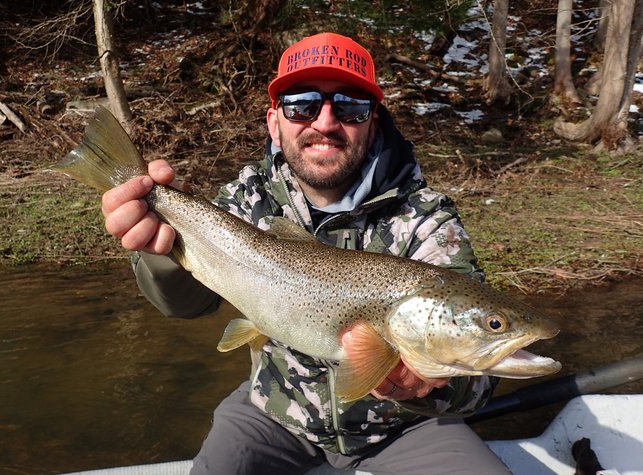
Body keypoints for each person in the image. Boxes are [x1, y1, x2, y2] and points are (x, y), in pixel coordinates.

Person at [101, 32, 511, 475]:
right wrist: (159, 247)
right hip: (274, 409)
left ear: (372, 121)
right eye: (302, 104)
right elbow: (187, 305)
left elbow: (480, 379)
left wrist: (426, 388)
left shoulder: (426, 220)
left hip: (403, 427)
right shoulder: (246, 202)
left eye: (351, 107)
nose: (325, 122)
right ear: (274, 121)